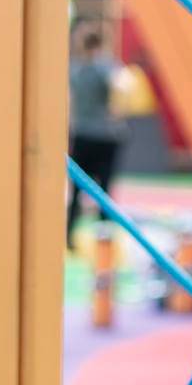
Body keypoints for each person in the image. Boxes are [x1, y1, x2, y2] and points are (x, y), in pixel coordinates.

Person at [67, 27, 126, 250]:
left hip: (82, 133)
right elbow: (122, 87)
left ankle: (69, 236)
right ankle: (104, 243)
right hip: (106, 134)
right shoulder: (106, 66)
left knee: (77, 192)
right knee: (105, 189)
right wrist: (116, 112)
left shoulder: (76, 69)